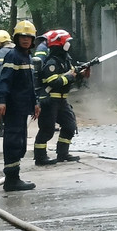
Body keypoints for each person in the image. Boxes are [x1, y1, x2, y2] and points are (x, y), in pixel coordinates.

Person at [0, 21, 40, 191]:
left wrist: (35, 103)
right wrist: (1, 101)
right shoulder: (12, 56)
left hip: (23, 107)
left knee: (19, 142)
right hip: (13, 107)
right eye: (22, 36)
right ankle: (11, 180)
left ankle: (15, 176)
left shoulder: (27, 57)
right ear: (17, 37)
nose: (26, 40)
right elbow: (4, 80)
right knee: (13, 141)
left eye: (29, 37)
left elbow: (30, 84)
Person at [33, 29, 82, 166]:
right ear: (60, 43)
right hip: (50, 101)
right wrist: (70, 77)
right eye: (67, 42)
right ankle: (40, 157)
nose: (69, 44)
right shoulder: (52, 63)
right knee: (47, 130)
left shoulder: (66, 60)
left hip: (62, 100)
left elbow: (71, 77)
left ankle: (63, 153)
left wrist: (81, 74)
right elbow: (53, 81)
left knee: (69, 126)